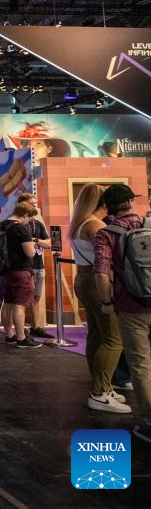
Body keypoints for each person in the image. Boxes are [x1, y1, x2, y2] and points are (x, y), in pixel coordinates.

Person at [93, 184, 151, 442]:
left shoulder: (106, 234)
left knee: (140, 366)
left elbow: (101, 272)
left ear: (108, 208)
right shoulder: (149, 224)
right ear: (131, 202)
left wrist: (107, 301)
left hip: (131, 306)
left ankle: (149, 424)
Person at [69, 184, 128, 414]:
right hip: (97, 283)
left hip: (83, 280)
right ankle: (100, 392)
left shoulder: (80, 224)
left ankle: (101, 385)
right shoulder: (95, 225)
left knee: (96, 333)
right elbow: (109, 258)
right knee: (114, 339)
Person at [0, 204, 42, 349]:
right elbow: (30, 253)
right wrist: (34, 245)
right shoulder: (21, 229)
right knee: (20, 305)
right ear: (25, 214)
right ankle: (21, 338)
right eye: (29, 218)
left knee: (8, 303)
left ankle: (9, 335)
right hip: (21, 270)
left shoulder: (2, 225)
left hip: (7, 270)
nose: (29, 221)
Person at [17, 193, 54, 339]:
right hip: (26, 267)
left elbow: (49, 243)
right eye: (32, 203)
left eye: (35, 203)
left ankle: (35, 326)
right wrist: (34, 243)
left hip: (39, 265)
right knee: (22, 300)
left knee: (36, 297)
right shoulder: (19, 225)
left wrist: (36, 241)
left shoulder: (37, 224)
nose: (35, 205)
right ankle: (20, 331)